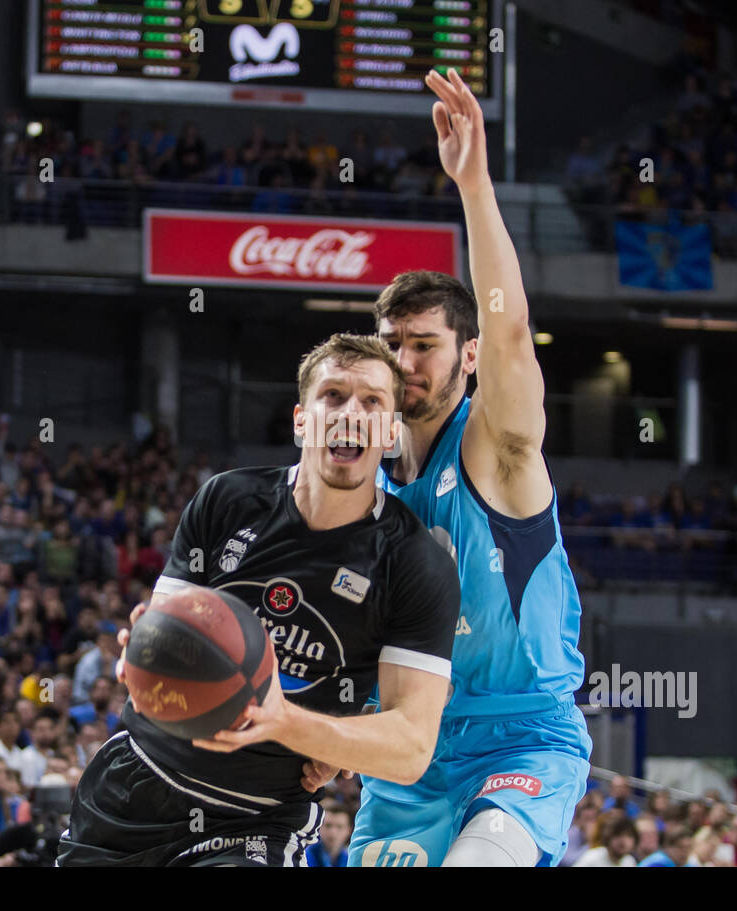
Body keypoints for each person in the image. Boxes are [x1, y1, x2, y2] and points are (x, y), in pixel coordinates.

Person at [58, 333, 461, 866]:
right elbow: (163, 636)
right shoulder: (227, 499)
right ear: (301, 419)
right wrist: (146, 651)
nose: (350, 413)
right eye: (333, 395)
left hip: (254, 819)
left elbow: (411, 747)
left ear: (390, 432)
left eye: (372, 401)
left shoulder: (414, 560)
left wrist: (289, 723)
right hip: (134, 782)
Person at [346, 68, 591, 868]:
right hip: (407, 748)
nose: (404, 361)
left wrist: (474, 183)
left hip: (521, 741)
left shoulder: (495, 448)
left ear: (468, 358)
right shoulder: (360, 479)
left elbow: (512, 333)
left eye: (424, 345)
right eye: (392, 345)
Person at [572, 813, 637, 866]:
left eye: (629, 836)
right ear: (609, 837)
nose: (623, 841)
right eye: (618, 835)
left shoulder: (629, 862)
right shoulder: (592, 857)